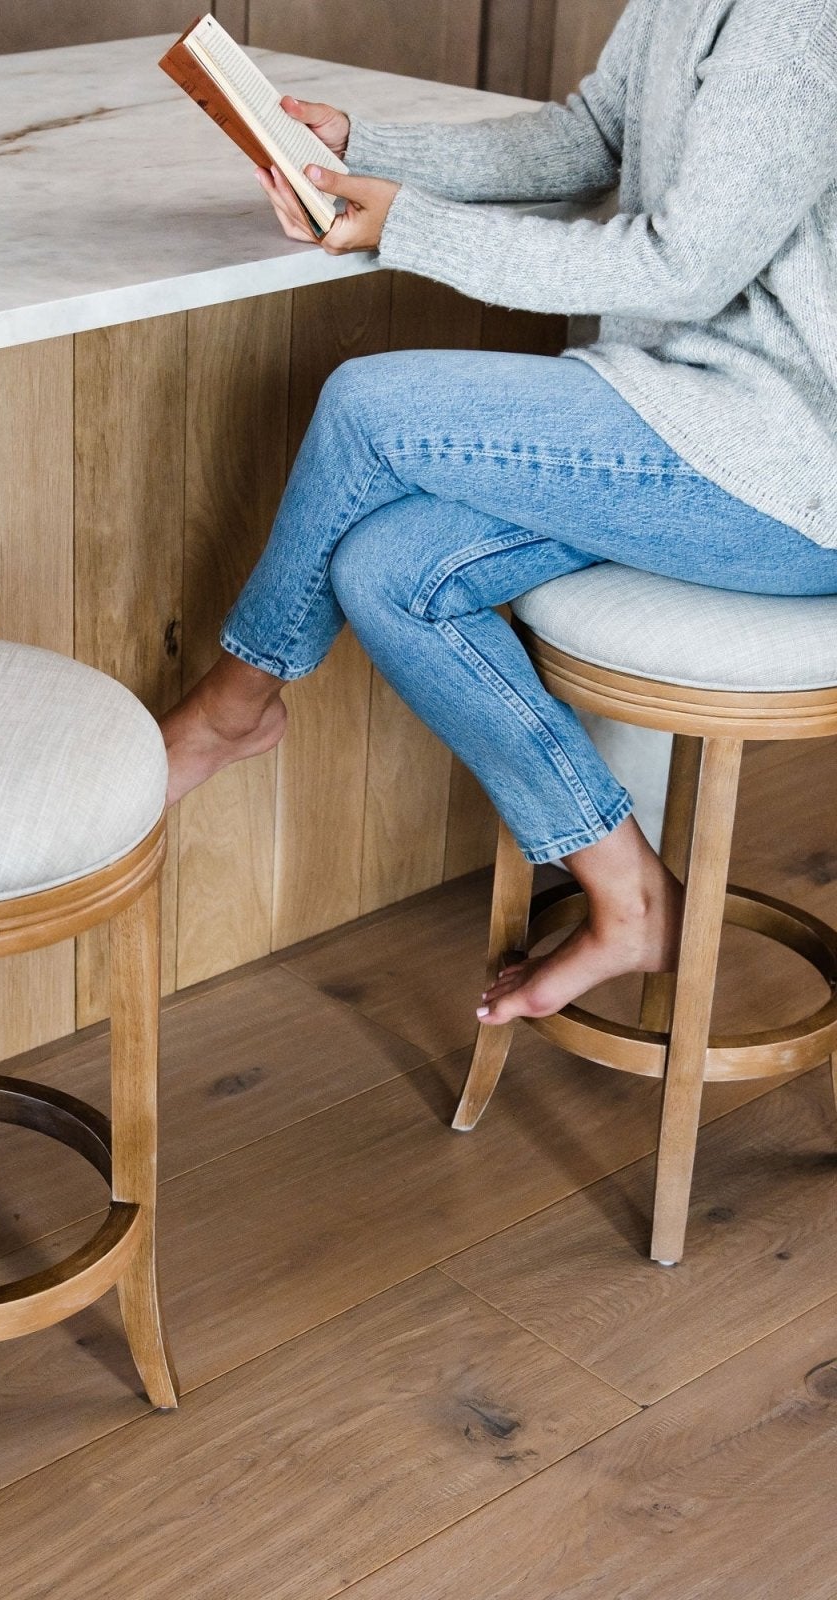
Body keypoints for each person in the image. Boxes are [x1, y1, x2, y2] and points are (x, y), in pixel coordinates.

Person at [159, 0, 837, 1027]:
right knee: (387, 569)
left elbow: (682, 270)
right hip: (682, 416)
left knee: (369, 403)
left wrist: (413, 228)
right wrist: (368, 152)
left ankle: (232, 705)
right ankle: (630, 892)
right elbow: (590, 132)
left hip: (786, 464)